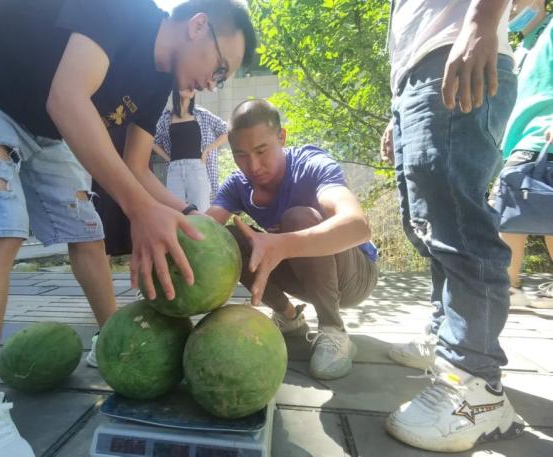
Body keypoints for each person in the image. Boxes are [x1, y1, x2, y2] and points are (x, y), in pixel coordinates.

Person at [0, 0, 256, 454]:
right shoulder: (124, 11)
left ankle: (111, 337)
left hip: (41, 125)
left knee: (87, 230)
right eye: (219, 68)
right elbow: (67, 98)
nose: (212, 83)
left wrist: (194, 213)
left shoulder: (157, 83)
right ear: (198, 26)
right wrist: (140, 210)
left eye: (222, 79)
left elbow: (135, 168)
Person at [379, 0, 524, 452]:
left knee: (460, 226)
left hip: (455, 51)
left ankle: (474, 382)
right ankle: (447, 336)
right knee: (427, 225)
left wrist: (482, 21)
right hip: (418, 73)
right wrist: (400, 104)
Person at [206, 99, 379, 380]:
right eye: (241, 155)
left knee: (298, 217)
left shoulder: (311, 165)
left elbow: (359, 227)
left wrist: (283, 244)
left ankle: (334, 331)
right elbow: (204, 229)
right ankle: (289, 317)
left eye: (261, 151)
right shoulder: (237, 185)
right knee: (231, 238)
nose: (253, 166)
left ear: (282, 137)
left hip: (354, 277)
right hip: (304, 277)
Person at [491, 0, 553, 309]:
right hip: (519, 141)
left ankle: (506, 287)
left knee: (507, 204)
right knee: (535, 208)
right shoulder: (519, 47)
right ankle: (508, 287)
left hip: (542, 136)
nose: (511, 7)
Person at [153, 88, 229, 212]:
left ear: (194, 93)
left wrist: (207, 150)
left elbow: (226, 131)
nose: (189, 88)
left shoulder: (201, 114)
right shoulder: (167, 118)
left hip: (196, 168)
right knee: (176, 212)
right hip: (174, 171)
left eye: (192, 87)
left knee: (201, 211)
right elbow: (153, 140)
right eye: (185, 85)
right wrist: (168, 158)